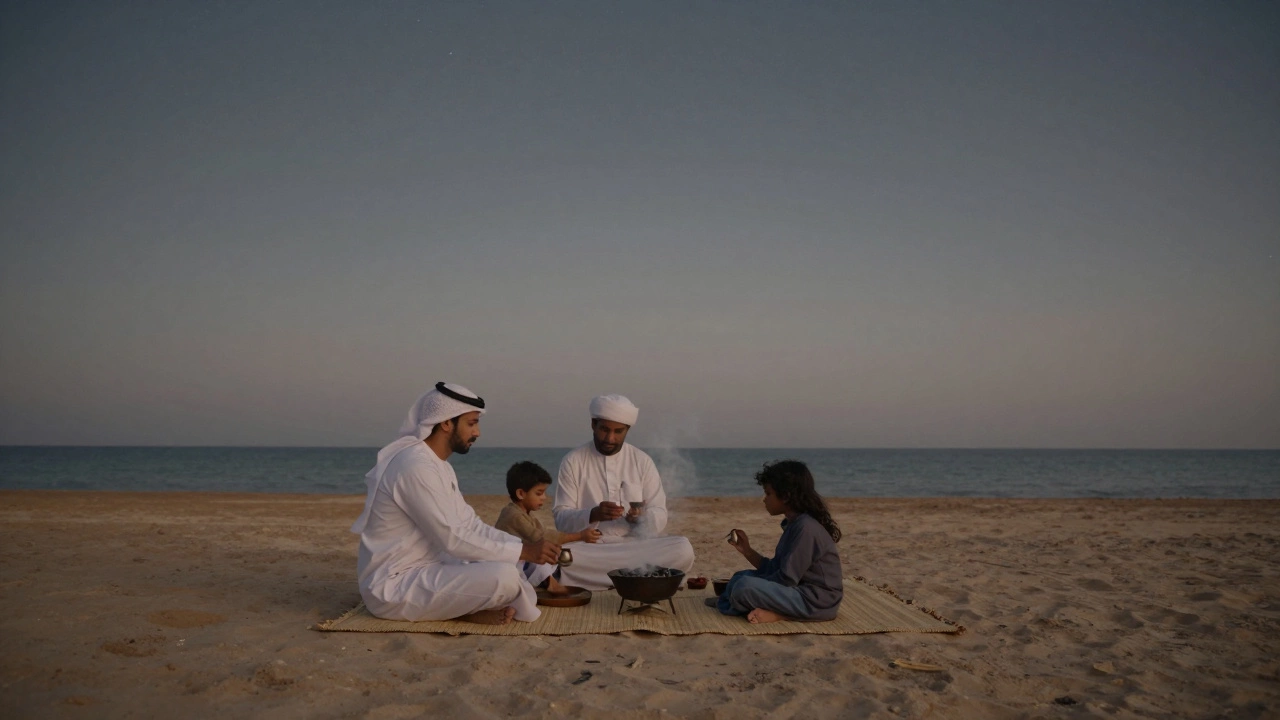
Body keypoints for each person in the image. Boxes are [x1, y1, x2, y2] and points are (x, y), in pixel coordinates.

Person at [350, 383, 560, 625]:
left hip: (433, 567)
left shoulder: (440, 466)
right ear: (446, 423)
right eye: (471, 423)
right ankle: (467, 611)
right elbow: (452, 538)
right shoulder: (414, 467)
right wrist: (524, 551)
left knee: (506, 564)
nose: (478, 432)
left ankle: (467, 608)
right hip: (395, 584)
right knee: (505, 577)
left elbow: (471, 525)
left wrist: (524, 546)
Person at [551, 394, 695, 590]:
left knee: (683, 549)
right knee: (564, 556)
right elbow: (561, 519)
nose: (610, 438)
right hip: (591, 548)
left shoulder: (642, 461)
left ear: (627, 430)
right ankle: (639, 578)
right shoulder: (573, 461)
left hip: (634, 547)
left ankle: (606, 580)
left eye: (618, 431)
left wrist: (641, 519)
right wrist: (593, 514)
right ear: (593, 424)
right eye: (604, 430)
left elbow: (660, 514)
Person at [713, 459, 843, 623]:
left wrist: (755, 586)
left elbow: (786, 579)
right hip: (799, 591)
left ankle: (777, 615)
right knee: (740, 576)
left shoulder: (805, 529)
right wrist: (747, 550)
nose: (764, 499)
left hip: (817, 602)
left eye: (768, 493)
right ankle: (735, 600)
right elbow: (776, 569)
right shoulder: (794, 524)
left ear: (786, 496)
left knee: (743, 586)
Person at [494, 461, 602, 594]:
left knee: (552, 552)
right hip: (507, 563)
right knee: (541, 554)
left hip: (523, 561)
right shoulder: (512, 515)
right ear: (521, 494)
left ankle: (548, 581)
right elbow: (541, 537)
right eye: (539, 493)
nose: (544, 498)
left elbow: (544, 536)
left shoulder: (527, 516)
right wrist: (580, 536)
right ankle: (550, 584)